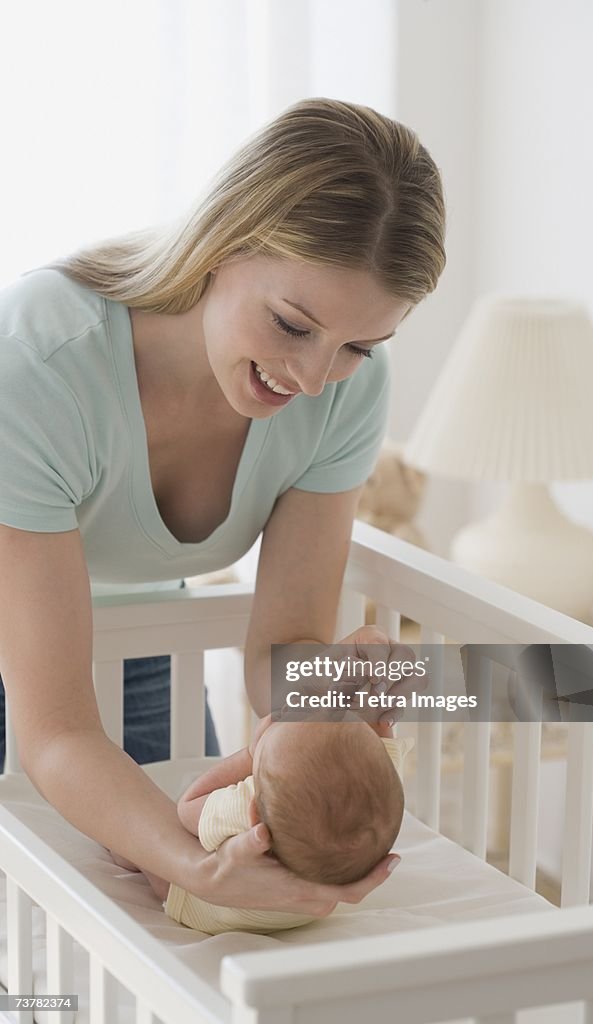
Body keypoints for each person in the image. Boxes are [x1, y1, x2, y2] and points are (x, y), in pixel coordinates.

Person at [0, 97, 446, 917]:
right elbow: (56, 728)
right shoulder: (38, 361)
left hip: (143, 646)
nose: (312, 380)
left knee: (180, 912)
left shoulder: (348, 396)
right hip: (19, 652)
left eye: (356, 346)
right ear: (221, 241)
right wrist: (191, 866)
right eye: (291, 324)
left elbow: (279, 654)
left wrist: (325, 690)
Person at [113, 716, 413, 935]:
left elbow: (187, 808)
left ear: (255, 813)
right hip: (303, 910)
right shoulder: (379, 788)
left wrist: (248, 756)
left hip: (211, 908)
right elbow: (380, 746)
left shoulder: (247, 803)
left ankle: (127, 855)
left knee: (153, 852)